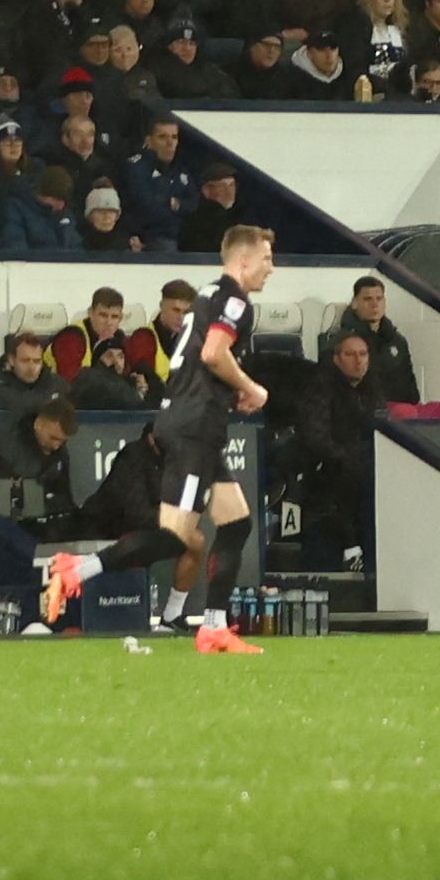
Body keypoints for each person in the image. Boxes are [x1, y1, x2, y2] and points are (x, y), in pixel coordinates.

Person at [143, 215, 284, 653]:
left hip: (196, 416)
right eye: (265, 258)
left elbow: (203, 358)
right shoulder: (237, 301)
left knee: (237, 523)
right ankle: (80, 568)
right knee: (175, 535)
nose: (271, 267)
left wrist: (229, 391)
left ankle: (214, 625)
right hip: (195, 425)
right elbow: (213, 353)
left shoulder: (205, 293)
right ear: (243, 261)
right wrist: (251, 388)